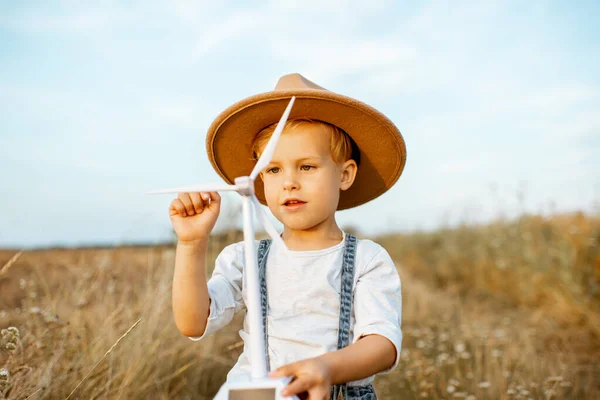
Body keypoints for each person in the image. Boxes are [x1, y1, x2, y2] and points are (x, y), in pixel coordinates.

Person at [169, 73, 406, 400]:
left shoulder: (368, 259)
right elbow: (192, 322)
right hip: (257, 393)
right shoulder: (246, 257)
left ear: (346, 174)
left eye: (306, 167)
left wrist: (326, 368)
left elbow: (382, 345)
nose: (289, 182)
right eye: (273, 169)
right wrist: (192, 244)